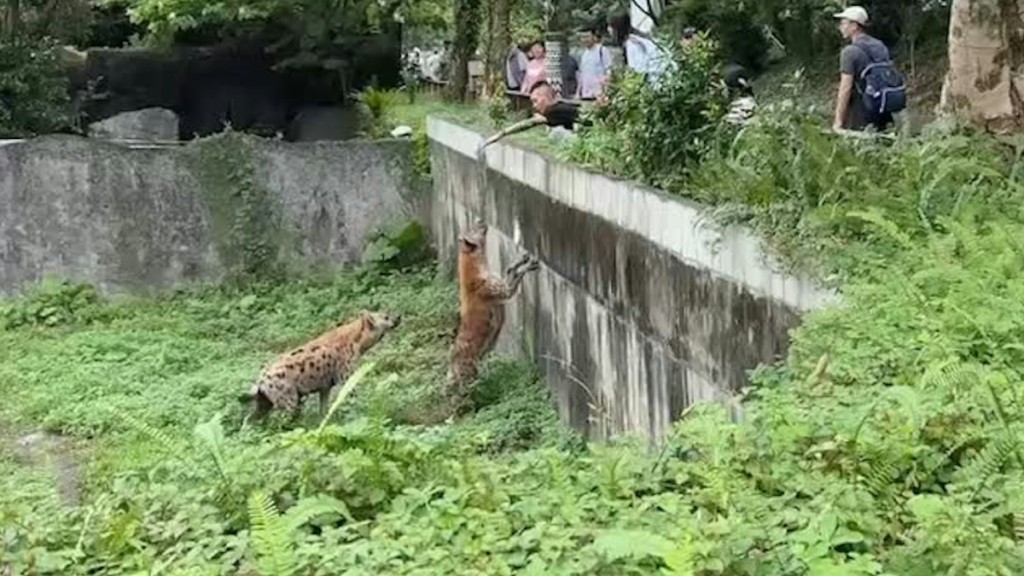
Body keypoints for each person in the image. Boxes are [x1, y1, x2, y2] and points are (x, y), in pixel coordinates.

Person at [832, 6, 897, 132]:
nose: (840, 27)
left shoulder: (849, 52)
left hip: (861, 113)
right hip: (883, 108)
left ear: (854, 26)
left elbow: (845, 88)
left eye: (843, 23)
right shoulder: (880, 46)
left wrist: (838, 122)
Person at [478, 81, 584, 151]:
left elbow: (527, 124)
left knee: (555, 133)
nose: (534, 105)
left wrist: (500, 134)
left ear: (545, 98)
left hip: (585, 137)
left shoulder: (553, 111)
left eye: (535, 101)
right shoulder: (559, 108)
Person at [607, 13, 667, 83]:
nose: (608, 29)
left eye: (610, 26)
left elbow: (638, 72)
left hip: (655, 81)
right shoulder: (635, 39)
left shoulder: (633, 45)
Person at [575, 26, 613, 100]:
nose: (584, 40)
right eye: (582, 37)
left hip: (599, 94)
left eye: (587, 37)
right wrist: (578, 92)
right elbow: (581, 75)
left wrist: (606, 91)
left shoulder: (602, 51)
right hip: (585, 94)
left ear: (594, 37)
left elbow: (608, 71)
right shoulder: (584, 54)